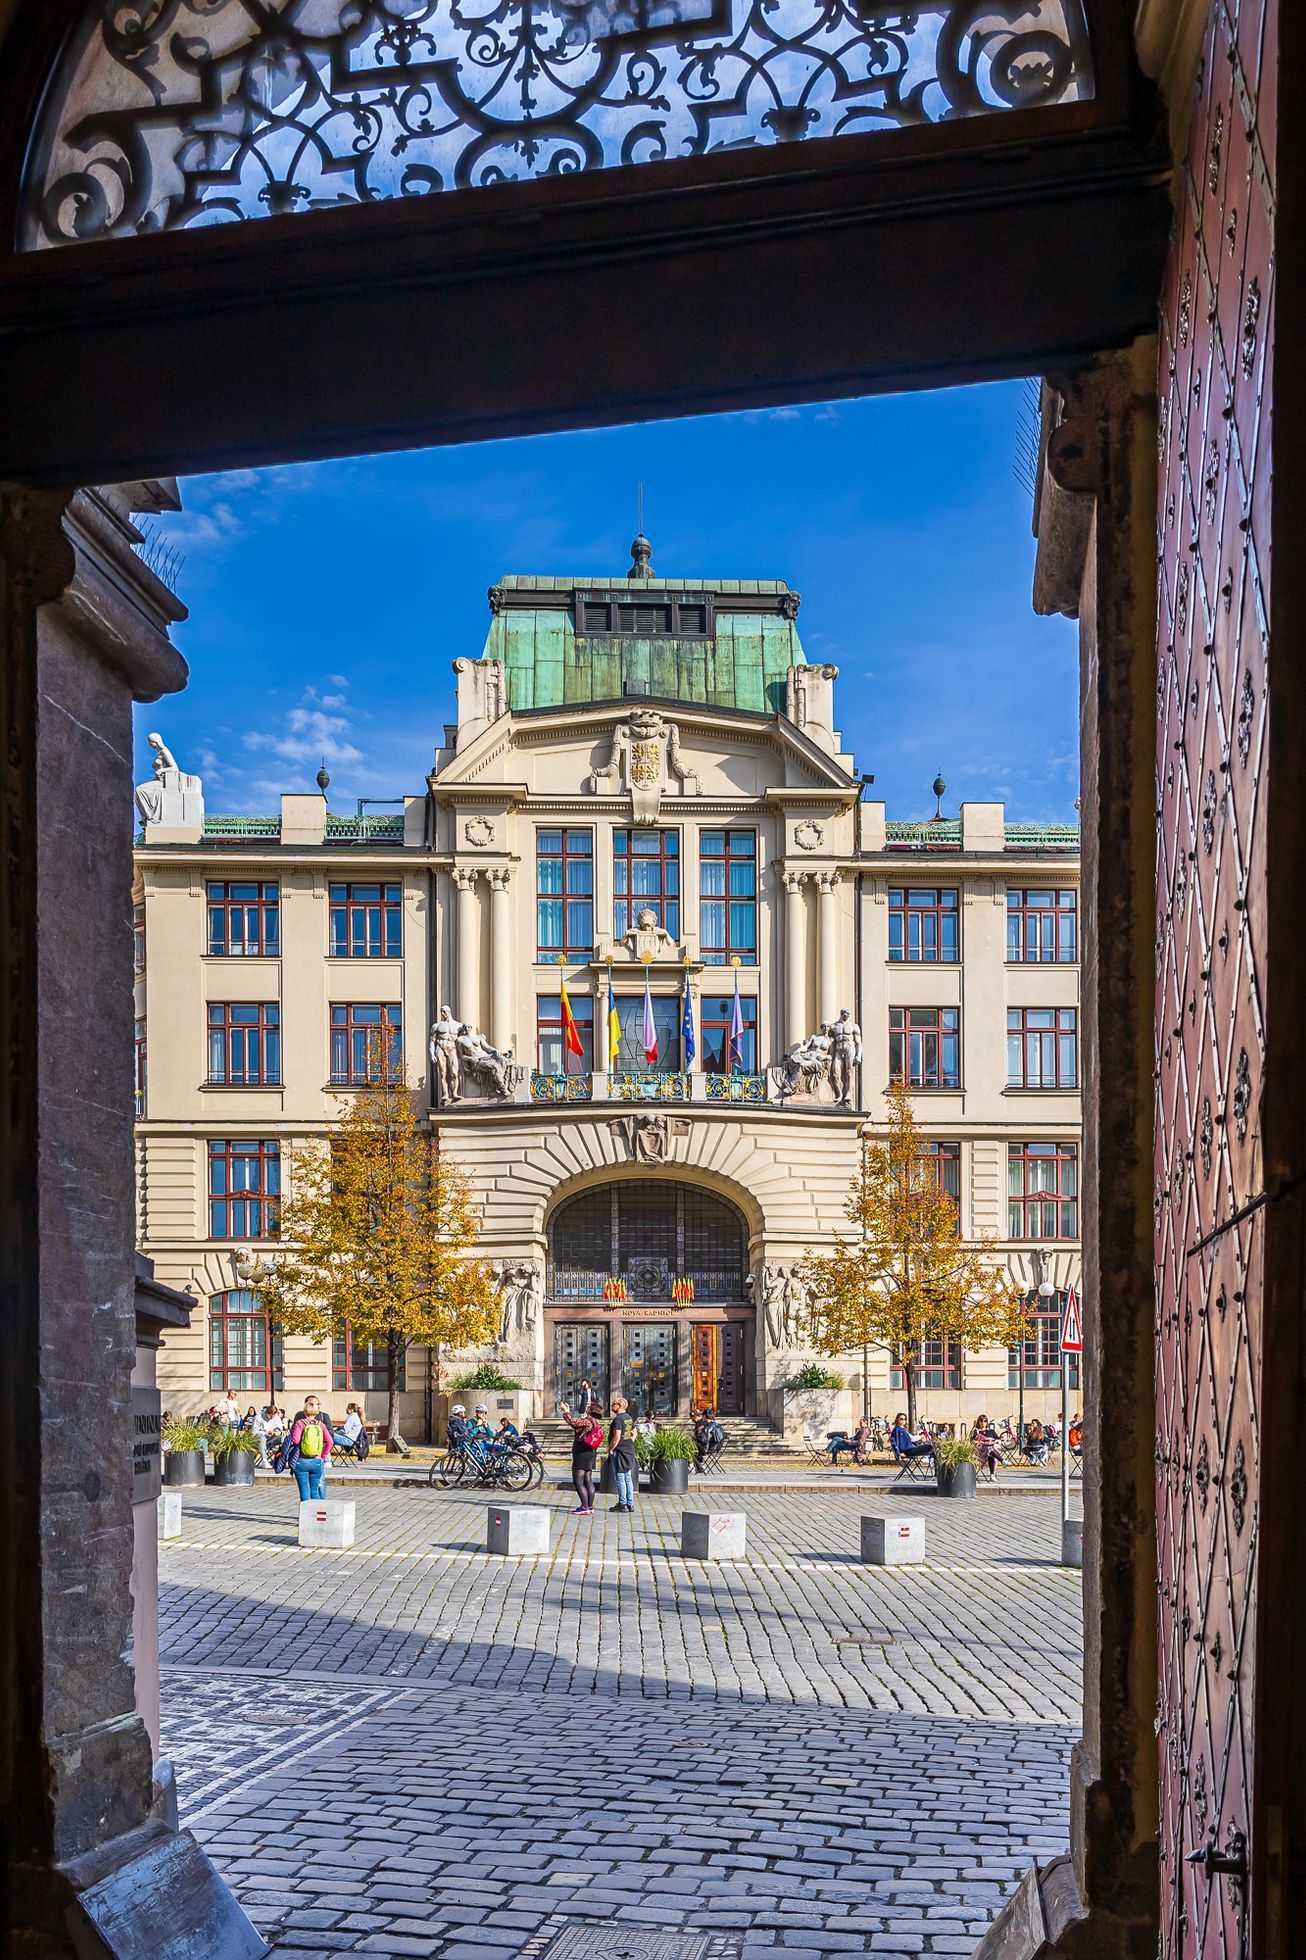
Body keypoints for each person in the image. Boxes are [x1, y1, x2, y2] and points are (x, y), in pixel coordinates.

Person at [560, 1399, 604, 1515]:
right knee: (588, 1479)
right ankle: (590, 1505)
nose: (587, 1406)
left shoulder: (588, 1420)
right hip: (590, 1452)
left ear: (592, 1410)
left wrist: (565, 1411)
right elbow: (577, 1428)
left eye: (589, 1406)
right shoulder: (595, 1422)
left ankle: (585, 1506)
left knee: (578, 1480)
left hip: (582, 1452)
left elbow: (572, 1422)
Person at [286, 1395, 334, 1499]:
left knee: (304, 1490)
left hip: (302, 1461)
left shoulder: (300, 1423)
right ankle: (318, 1512)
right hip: (316, 1461)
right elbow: (330, 1442)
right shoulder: (320, 1424)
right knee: (314, 1490)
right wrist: (322, 1456)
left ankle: (305, 1514)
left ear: (304, 1411)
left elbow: (295, 1440)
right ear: (317, 1411)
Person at [607, 1395, 636, 1512]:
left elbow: (617, 1436)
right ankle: (630, 1503)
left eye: (614, 1404)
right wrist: (628, 1442)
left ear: (619, 1406)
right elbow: (634, 1433)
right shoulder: (629, 1417)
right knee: (628, 1478)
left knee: (620, 1477)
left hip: (619, 1452)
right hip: (629, 1450)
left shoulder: (618, 1419)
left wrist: (610, 1448)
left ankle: (622, 1503)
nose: (612, 1406)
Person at [970, 1413, 1000, 1481]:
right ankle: (1002, 1461)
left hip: (990, 1453)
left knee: (991, 1453)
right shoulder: (976, 1432)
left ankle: (992, 1475)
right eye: (981, 1421)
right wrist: (983, 1442)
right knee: (989, 1449)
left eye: (985, 1421)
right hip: (980, 1454)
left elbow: (999, 1440)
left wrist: (993, 1442)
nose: (983, 1423)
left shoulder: (991, 1431)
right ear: (978, 1422)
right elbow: (972, 1441)